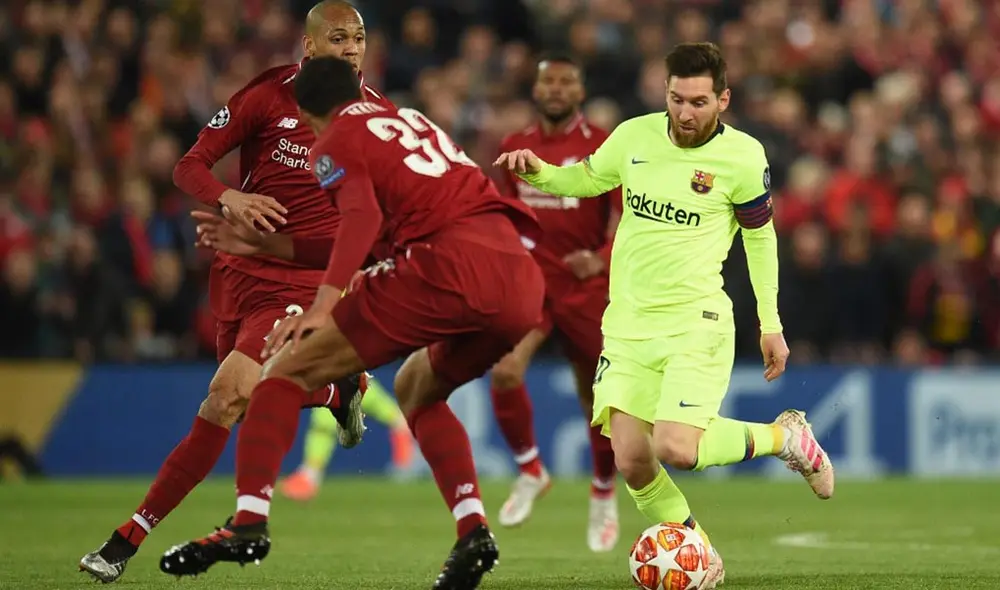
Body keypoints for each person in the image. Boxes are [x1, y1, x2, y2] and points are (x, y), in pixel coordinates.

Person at [159, 56, 545, 590]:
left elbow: (360, 221)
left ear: (306, 111)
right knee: (417, 388)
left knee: (283, 373)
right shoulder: (410, 120)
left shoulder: (334, 141)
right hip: (519, 278)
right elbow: (368, 239)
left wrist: (323, 306)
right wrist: (269, 246)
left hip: (443, 268)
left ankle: (248, 523)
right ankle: (473, 529)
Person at [495, 42, 835, 588]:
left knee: (676, 447)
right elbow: (587, 179)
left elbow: (761, 240)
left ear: (723, 99)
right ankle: (701, 554)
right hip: (628, 325)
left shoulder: (743, 157)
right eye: (677, 99)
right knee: (632, 459)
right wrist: (540, 173)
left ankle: (785, 438)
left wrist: (770, 323)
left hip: (695, 321)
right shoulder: (634, 136)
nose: (685, 113)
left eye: (699, 102)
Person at [78, 1, 390, 582]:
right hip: (240, 273)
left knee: (224, 397)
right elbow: (188, 166)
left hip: (304, 280)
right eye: (339, 38)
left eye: (359, 38)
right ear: (310, 46)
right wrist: (231, 197)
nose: (351, 49)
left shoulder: (378, 118)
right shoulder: (267, 96)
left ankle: (125, 540)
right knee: (237, 403)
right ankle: (336, 391)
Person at [190, 208, 416, 498]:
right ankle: (385, 422)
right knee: (332, 383)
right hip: (338, 307)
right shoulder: (342, 222)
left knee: (323, 379)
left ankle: (313, 469)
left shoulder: (351, 222)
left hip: (345, 311)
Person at [491, 54, 621, 552]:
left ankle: (603, 492)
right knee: (505, 370)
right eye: (549, 81)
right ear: (536, 89)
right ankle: (530, 470)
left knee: (597, 400)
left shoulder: (603, 144)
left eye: (567, 81)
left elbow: (627, 215)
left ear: (580, 92)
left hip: (586, 287)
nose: (557, 89)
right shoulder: (513, 146)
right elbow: (503, 213)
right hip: (534, 283)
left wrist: (601, 258)